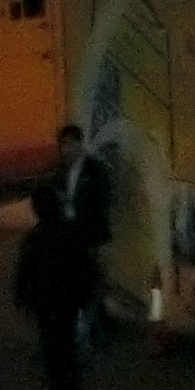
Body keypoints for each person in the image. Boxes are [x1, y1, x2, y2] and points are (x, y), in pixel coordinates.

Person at [14, 188, 98, 390]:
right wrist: (87, 293)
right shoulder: (71, 233)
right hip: (69, 298)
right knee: (67, 338)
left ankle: (58, 385)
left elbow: (26, 272)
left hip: (45, 301)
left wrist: (22, 297)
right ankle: (69, 383)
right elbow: (86, 266)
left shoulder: (35, 239)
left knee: (50, 341)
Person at [53, 123, 111, 355]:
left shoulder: (94, 169)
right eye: (63, 145)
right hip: (69, 235)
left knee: (89, 281)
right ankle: (82, 327)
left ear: (79, 143)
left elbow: (103, 201)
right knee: (75, 282)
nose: (66, 149)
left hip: (88, 235)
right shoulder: (61, 172)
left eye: (70, 144)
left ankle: (89, 328)